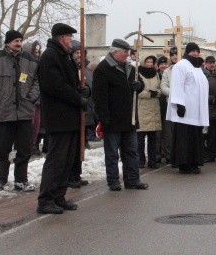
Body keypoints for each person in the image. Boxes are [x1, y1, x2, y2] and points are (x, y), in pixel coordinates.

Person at [37, 24, 89, 214]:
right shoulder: (50, 56)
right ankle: (46, 199)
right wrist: (77, 98)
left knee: (67, 160)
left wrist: (82, 91)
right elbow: (55, 86)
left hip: (70, 117)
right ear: (61, 37)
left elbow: (71, 83)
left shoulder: (63, 56)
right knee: (56, 160)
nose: (71, 40)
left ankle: (59, 196)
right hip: (59, 117)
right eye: (69, 36)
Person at [0, 30, 39, 192]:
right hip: (3, 112)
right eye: (15, 40)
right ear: (8, 42)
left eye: (20, 40)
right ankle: (1, 179)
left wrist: (30, 98)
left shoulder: (29, 59)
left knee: (24, 149)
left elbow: (37, 81)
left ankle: (21, 180)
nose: (19, 43)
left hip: (24, 112)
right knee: (2, 149)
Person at [92, 39, 148, 191]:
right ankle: (113, 181)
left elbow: (141, 84)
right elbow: (99, 97)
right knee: (112, 153)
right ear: (115, 51)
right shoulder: (103, 69)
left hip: (129, 117)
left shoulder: (130, 68)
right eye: (125, 52)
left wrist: (139, 85)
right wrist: (104, 118)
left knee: (131, 151)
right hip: (112, 118)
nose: (128, 55)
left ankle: (132, 179)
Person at [166, 42, 209, 174]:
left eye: (197, 51)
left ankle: (194, 162)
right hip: (185, 110)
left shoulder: (197, 68)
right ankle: (184, 164)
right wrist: (179, 104)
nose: (195, 53)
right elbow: (177, 85)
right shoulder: (181, 66)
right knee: (184, 138)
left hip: (196, 111)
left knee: (194, 137)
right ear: (187, 52)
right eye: (192, 51)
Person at [67, 40, 93, 188]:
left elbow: (90, 88)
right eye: (76, 53)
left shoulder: (87, 70)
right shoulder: (69, 68)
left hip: (85, 111)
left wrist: (87, 91)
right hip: (72, 111)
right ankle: (70, 175)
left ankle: (77, 174)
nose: (79, 56)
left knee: (80, 147)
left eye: (81, 53)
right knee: (72, 147)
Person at [136, 55, 162, 169]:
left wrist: (158, 93)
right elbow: (137, 91)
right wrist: (150, 94)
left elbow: (161, 88)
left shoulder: (156, 74)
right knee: (140, 138)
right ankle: (140, 160)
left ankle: (152, 161)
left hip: (154, 108)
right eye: (147, 62)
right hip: (142, 108)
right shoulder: (138, 74)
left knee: (153, 138)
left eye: (151, 62)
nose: (150, 64)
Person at [159, 47, 178, 164]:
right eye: (172, 55)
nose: (175, 56)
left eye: (176, 54)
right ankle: (171, 155)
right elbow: (163, 86)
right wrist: (175, 94)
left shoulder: (187, 69)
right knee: (170, 132)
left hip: (185, 104)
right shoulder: (167, 71)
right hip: (171, 104)